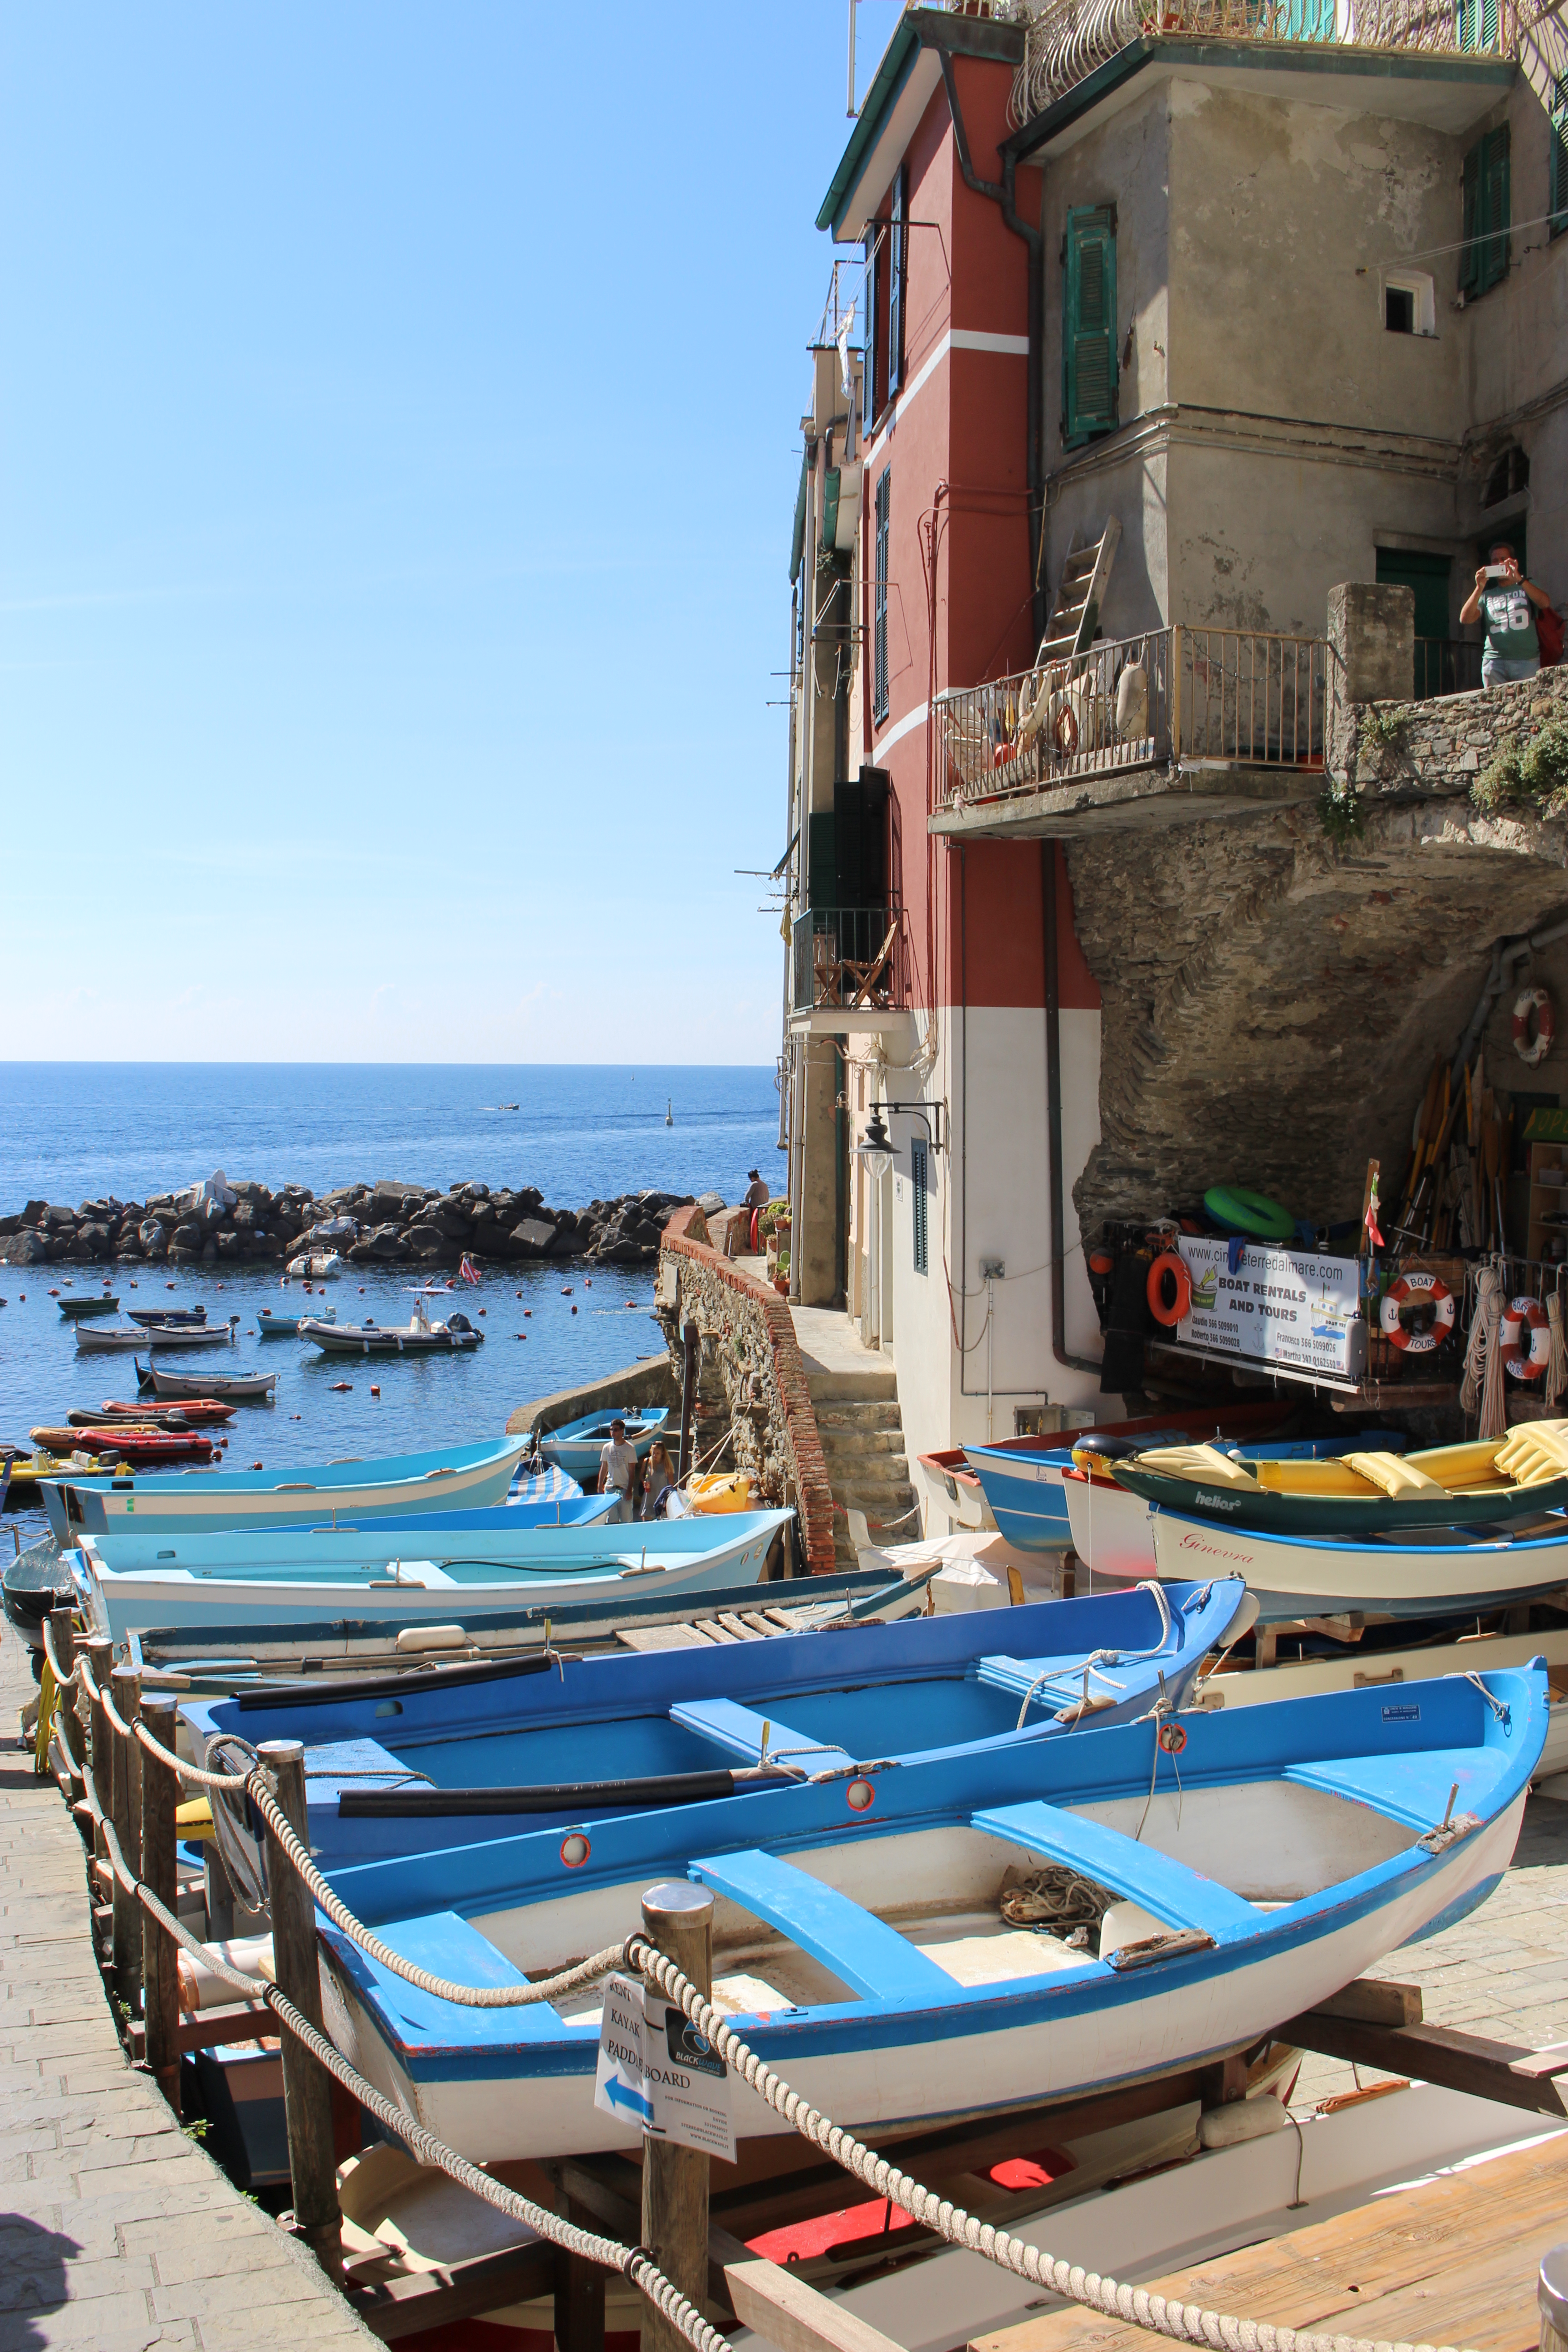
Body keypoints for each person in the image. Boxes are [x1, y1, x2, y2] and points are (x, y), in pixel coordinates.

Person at [1461, 543, 1552, 686]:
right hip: (1494, 664)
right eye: (1495, 561)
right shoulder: (1487, 595)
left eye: (1504, 559)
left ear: (1513, 562)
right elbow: (1465, 619)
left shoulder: (1527, 585)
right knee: (1495, 708)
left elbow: (1545, 603)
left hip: (1526, 662)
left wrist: (1519, 579)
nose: (1500, 563)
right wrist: (1479, 587)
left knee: (1527, 706)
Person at [597, 1417, 637, 1524]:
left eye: (616, 1430)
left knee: (626, 1520)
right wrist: (600, 1485)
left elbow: (632, 1471)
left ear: (622, 1431)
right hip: (610, 1488)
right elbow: (604, 1467)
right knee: (611, 1520)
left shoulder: (630, 1448)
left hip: (624, 1488)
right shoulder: (607, 1447)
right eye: (611, 1430)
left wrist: (629, 1490)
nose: (613, 1432)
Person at [640, 1439, 676, 1521]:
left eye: (657, 1453)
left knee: (661, 1522)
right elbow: (641, 1475)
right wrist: (644, 1481)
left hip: (661, 1497)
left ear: (662, 1453)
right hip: (649, 1496)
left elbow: (671, 1484)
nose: (655, 1455)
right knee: (646, 1523)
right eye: (653, 1453)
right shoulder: (647, 1461)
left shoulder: (666, 1464)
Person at [743, 1167, 769, 1254]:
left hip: (756, 1211)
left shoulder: (754, 1184)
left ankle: (756, 1248)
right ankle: (763, 1247)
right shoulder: (764, 1184)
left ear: (752, 1178)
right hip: (765, 1209)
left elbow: (747, 1196)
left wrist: (747, 1201)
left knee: (755, 1230)